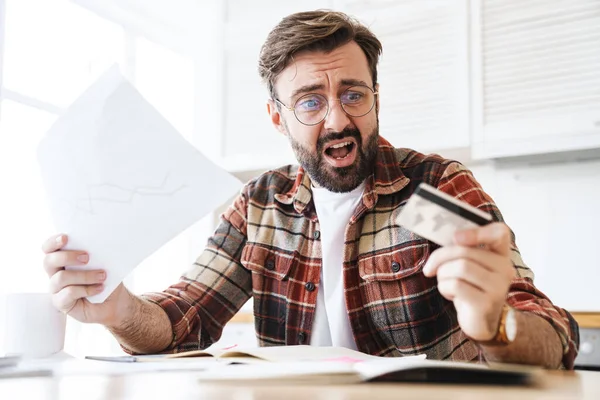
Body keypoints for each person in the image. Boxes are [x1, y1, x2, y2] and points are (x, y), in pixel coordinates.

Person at [41, 10, 579, 369]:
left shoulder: (429, 191)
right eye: (310, 101)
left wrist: (497, 325)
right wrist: (117, 309)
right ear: (277, 117)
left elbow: (555, 336)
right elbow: (186, 318)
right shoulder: (259, 207)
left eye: (353, 94)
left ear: (375, 95)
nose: (339, 120)